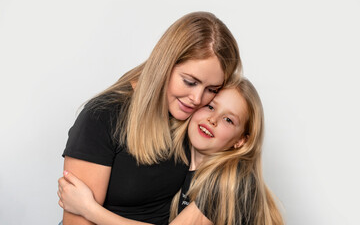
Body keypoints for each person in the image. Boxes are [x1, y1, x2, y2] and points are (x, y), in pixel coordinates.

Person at [60, 11, 241, 225]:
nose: (197, 98)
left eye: (211, 89)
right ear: (165, 64)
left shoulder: (201, 123)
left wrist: (90, 209)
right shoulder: (102, 116)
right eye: (190, 82)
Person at [58, 78, 284, 225]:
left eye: (228, 119)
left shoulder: (230, 180)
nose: (212, 120)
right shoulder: (184, 161)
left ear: (241, 141)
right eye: (210, 106)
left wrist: (88, 209)